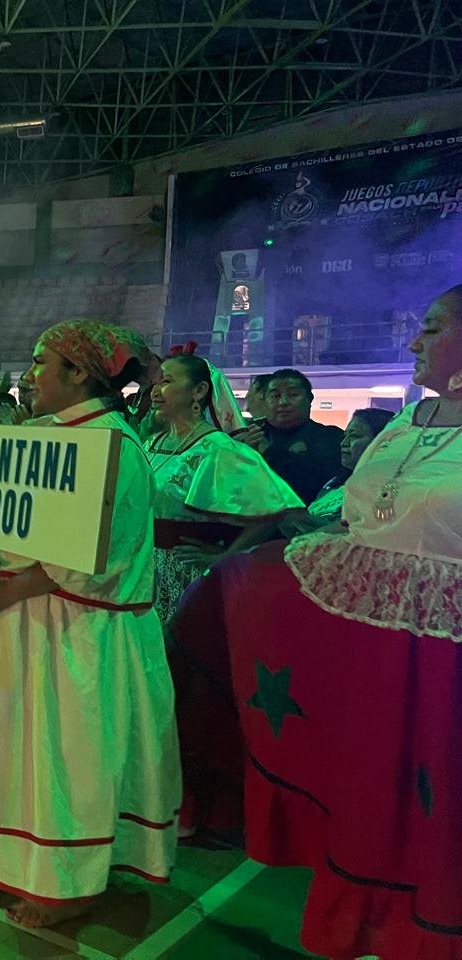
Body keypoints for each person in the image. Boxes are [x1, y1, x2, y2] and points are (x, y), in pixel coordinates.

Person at [168, 286, 462, 959]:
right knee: (369, 789)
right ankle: (366, 919)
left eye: (434, 328)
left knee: (437, 800)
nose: (415, 342)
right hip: (373, 646)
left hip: (444, 656)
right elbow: (362, 517)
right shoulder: (408, 422)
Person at [0, 322, 180, 929]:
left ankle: (71, 882)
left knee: (65, 759)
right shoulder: (36, 436)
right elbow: (0, 517)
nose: (29, 374)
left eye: (41, 362)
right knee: (8, 747)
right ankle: (3, 858)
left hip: (75, 635)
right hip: (12, 621)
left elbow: (103, 561)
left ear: (79, 373)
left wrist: (12, 590)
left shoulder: (114, 446)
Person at [146, 354, 302, 624]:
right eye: (155, 383)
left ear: (199, 391)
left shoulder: (218, 449)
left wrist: (224, 557)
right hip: (143, 568)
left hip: (186, 573)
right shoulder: (150, 443)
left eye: (167, 381)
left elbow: (270, 510)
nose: (155, 391)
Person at [279, 407, 395, 536]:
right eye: (345, 436)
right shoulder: (334, 483)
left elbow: (359, 530)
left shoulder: (388, 489)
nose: (343, 443)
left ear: (381, 442)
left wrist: (309, 525)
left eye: (355, 436)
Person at [236, 369, 343, 504]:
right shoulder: (249, 437)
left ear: (309, 399)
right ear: (265, 401)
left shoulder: (330, 438)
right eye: (275, 396)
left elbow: (317, 483)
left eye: (293, 395)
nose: (283, 402)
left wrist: (269, 452)